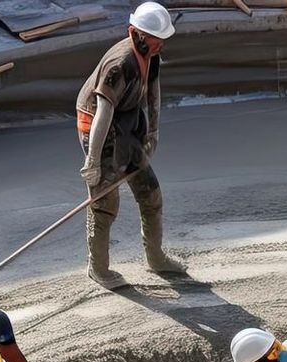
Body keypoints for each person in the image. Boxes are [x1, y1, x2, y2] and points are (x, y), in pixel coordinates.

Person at [76, 1, 187, 289]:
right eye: (156, 38)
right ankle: (98, 269)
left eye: (162, 39)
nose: (160, 43)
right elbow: (102, 112)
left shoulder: (151, 53)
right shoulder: (120, 64)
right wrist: (93, 163)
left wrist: (154, 130)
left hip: (125, 125)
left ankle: (155, 258)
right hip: (97, 130)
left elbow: (153, 89)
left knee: (150, 194)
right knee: (104, 204)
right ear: (136, 33)